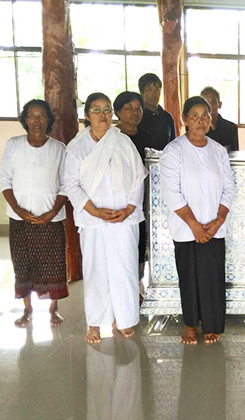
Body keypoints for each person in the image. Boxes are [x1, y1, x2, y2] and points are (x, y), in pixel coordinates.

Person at [64, 92, 148, 343]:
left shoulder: (123, 141)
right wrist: (94, 210)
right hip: (93, 220)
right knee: (96, 270)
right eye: (96, 110)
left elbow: (138, 178)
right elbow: (71, 184)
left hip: (124, 219)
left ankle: (122, 319)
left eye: (107, 110)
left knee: (124, 269)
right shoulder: (77, 146)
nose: (103, 115)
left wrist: (130, 208)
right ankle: (95, 323)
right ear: (87, 115)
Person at [160, 96, 236, 345]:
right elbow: (171, 192)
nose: (201, 120)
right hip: (186, 229)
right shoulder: (174, 150)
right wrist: (194, 225)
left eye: (205, 115)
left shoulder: (218, 150)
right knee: (190, 278)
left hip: (214, 227)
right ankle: (191, 325)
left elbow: (229, 187)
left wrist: (219, 220)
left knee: (212, 278)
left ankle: (212, 325)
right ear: (184, 119)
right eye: (195, 115)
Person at [0, 99, 68, 327]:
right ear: (25, 119)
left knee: (53, 265)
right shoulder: (13, 145)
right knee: (23, 265)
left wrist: (53, 211)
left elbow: (66, 185)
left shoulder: (59, 149)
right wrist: (18, 210)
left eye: (41, 116)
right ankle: (27, 309)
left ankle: (53, 309)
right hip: (20, 220)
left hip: (51, 219)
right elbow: (5, 181)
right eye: (32, 115)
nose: (37, 120)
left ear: (48, 119)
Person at [114, 91, 152, 293]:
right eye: (128, 108)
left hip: (143, 199)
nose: (134, 112)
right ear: (118, 112)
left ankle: (137, 283)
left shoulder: (147, 136)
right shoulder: (111, 137)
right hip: (117, 200)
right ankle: (120, 284)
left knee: (140, 240)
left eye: (138, 108)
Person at [137, 73, 176, 150]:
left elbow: (173, 143)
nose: (154, 94)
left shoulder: (167, 117)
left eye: (157, 90)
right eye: (149, 90)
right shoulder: (138, 116)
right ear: (142, 92)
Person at [201, 86, 239, 152]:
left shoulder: (231, 128)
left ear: (219, 104)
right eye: (206, 102)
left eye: (212, 101)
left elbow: (234, 154)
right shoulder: (196, 128)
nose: (209, 105)